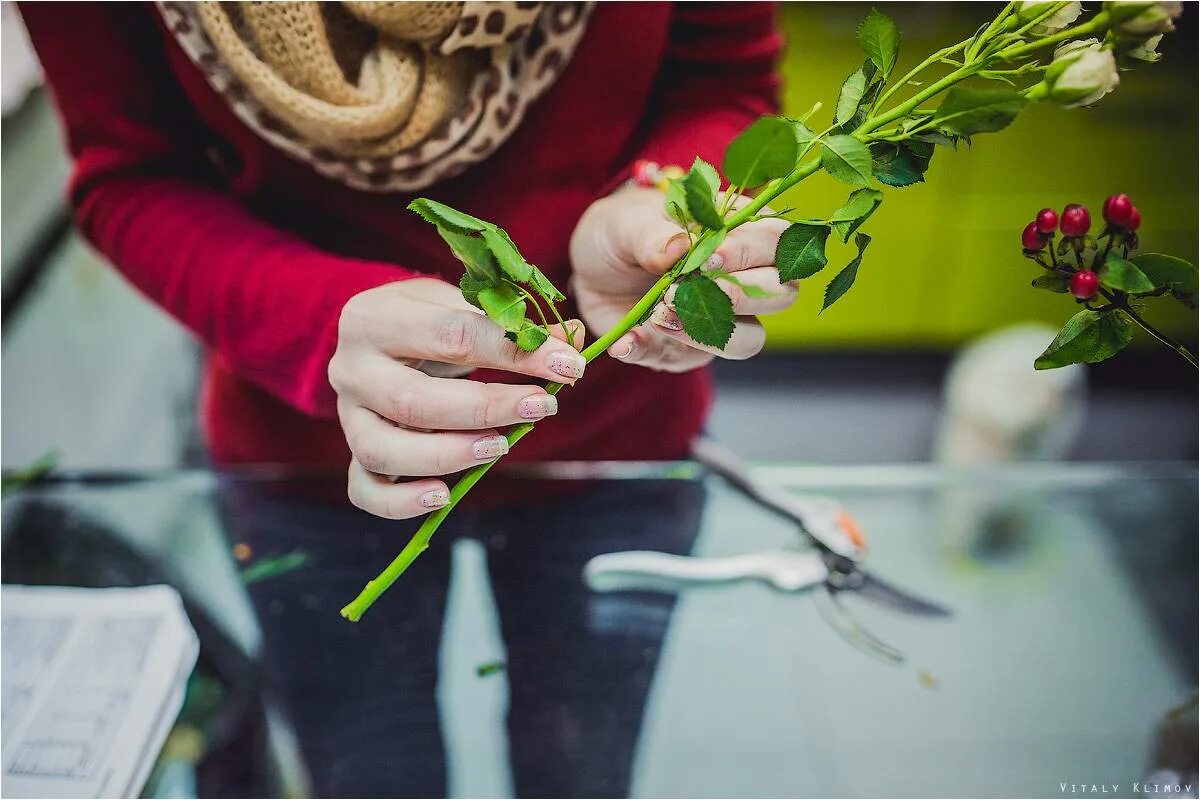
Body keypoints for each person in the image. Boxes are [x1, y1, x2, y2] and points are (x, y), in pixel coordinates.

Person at [21, 2, 794, 516]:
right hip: (315, 463)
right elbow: (132, 175)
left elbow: (723, 84)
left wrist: (657, 206)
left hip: (617, 444)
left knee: (579, 765)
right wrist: (324, 324)